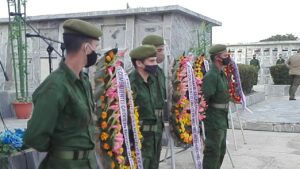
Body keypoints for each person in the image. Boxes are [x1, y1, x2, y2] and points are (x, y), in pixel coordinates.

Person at [24, 19, 102, 169]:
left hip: (87, 163)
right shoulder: (55, 86)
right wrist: (60, 148)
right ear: (86, 48)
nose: (96, 53)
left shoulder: (83, 81)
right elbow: (35, 137)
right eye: (95, 47)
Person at [128, 45, 161, 169]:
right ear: (139, 63)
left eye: (155, 60)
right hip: (140, 141)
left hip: (154, 138)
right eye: (151, 61)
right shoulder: (131, 84)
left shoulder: (152, 81)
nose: (155, 64)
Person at [202, 44, 230, 169]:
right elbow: (204, 100)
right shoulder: (211, 76)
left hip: (222, 118)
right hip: (213, 120)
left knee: (221, 151)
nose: (228, 57)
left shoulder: (221, 74)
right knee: (212, 152)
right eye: (225, 55)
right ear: (218, 58)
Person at [141, 35, 166, 168]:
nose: (163, 53)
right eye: (160, 50)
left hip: (157, 129)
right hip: (144, 133)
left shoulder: (160, 73)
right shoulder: (139, 75)